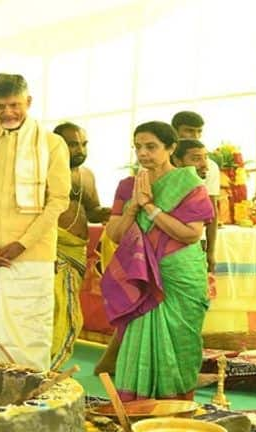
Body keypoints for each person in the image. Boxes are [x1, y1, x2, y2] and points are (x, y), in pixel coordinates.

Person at [0, 73, 70, 371]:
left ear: (28, 102)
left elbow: (58, 200)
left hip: (31, 255)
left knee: (27, 333)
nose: (8, 112)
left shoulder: (52, 144)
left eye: (14, 105)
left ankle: (27, 401)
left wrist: (22, 244)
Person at [100, 121, 214, 399]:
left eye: (151, 147)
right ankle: (139, 407)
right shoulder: (128, 187)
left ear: (171, 148)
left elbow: (191, 234)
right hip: (142, 277)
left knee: (180, 337)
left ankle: (176, 406)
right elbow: (115, 234)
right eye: (138, 147)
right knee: (140, 336)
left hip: (178, 274)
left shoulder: (190, 185)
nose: (143, 153)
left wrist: (150, 207)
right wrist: (134, 207)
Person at [50, 122, 110, 369]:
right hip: (52, 250)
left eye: (83, 144)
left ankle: (51, 365)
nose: (80, 149)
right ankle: (44, 367)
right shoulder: (44, 173)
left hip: (76, 249)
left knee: (69, 314)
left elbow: (92, 210)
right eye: (72, 144)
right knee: (54, 312)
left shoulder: (87, 175)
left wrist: (109, 212)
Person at [171, 111, 219, 273]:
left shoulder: (210, 166)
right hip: (161, 240)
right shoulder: (156, 162)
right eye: (189, 130)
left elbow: (212, 211)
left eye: (199, 131)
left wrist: (211, 251)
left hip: (197, 242)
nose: (195, 135)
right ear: (175, 130)